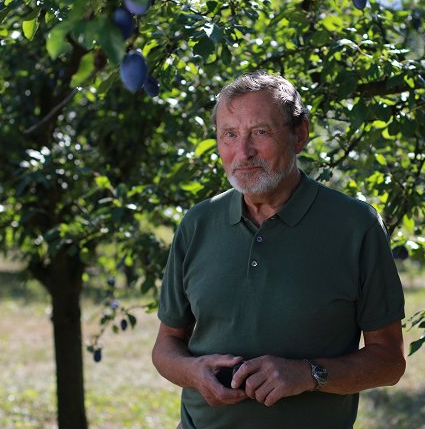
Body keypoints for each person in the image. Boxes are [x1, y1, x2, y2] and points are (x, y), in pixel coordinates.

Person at [152, 71, 406, 429]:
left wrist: (308, 374)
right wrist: (193, 372)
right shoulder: (198, 223)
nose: (243, 152)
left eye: (260, 132)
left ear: (299, 134)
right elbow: (166, 345)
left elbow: (389, 361)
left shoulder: (355, 225)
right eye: (229, 135)